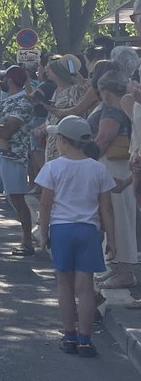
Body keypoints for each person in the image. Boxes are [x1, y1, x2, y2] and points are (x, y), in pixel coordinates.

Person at [36, 115, 117, 358]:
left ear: (62, 140)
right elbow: (106, 208)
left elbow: (45, 205)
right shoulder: (98, 168)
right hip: (88, 230)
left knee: (64, 285)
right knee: (85, 287)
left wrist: (42, 233)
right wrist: (111, 239)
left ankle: (69, 335)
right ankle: (85, 339)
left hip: (61, 229)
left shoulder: (53, 167)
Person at [0, 65, 35, 256]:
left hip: (14, 157)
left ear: (9, 80)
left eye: (2, 79)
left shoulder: (23, 104)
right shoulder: (3, 101)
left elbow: (7, 130)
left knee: (17, 199)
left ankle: (27, 242)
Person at [87, 70, 136, 289]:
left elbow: (103, 138)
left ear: (106, 91)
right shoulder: (124, 107)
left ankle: (124, 269)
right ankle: (117, 267)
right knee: (116, 216)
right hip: (120, 164)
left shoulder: (111, 110)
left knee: (118, 217)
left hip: (111, 163)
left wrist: (85, 161)